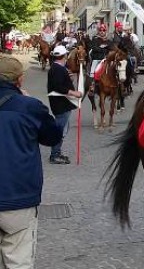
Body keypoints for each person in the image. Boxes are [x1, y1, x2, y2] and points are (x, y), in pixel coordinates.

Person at [0, 56, 63, 268]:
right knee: (18, 260)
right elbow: (53, 136)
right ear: (20, 79)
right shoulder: (29, 107)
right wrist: (28, 102)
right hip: (18, 198)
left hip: (17, 197)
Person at [47, 45, 82, 164]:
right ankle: (55, 155)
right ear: (65, 56)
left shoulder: (58, 68)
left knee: (63, 129)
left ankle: (57, 152)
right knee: (60, 130)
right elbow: (58, 87)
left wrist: (69, 80)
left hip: (62, 103)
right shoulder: (58, 69)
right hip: (61, 104)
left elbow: (60, 83)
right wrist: (74, 92)